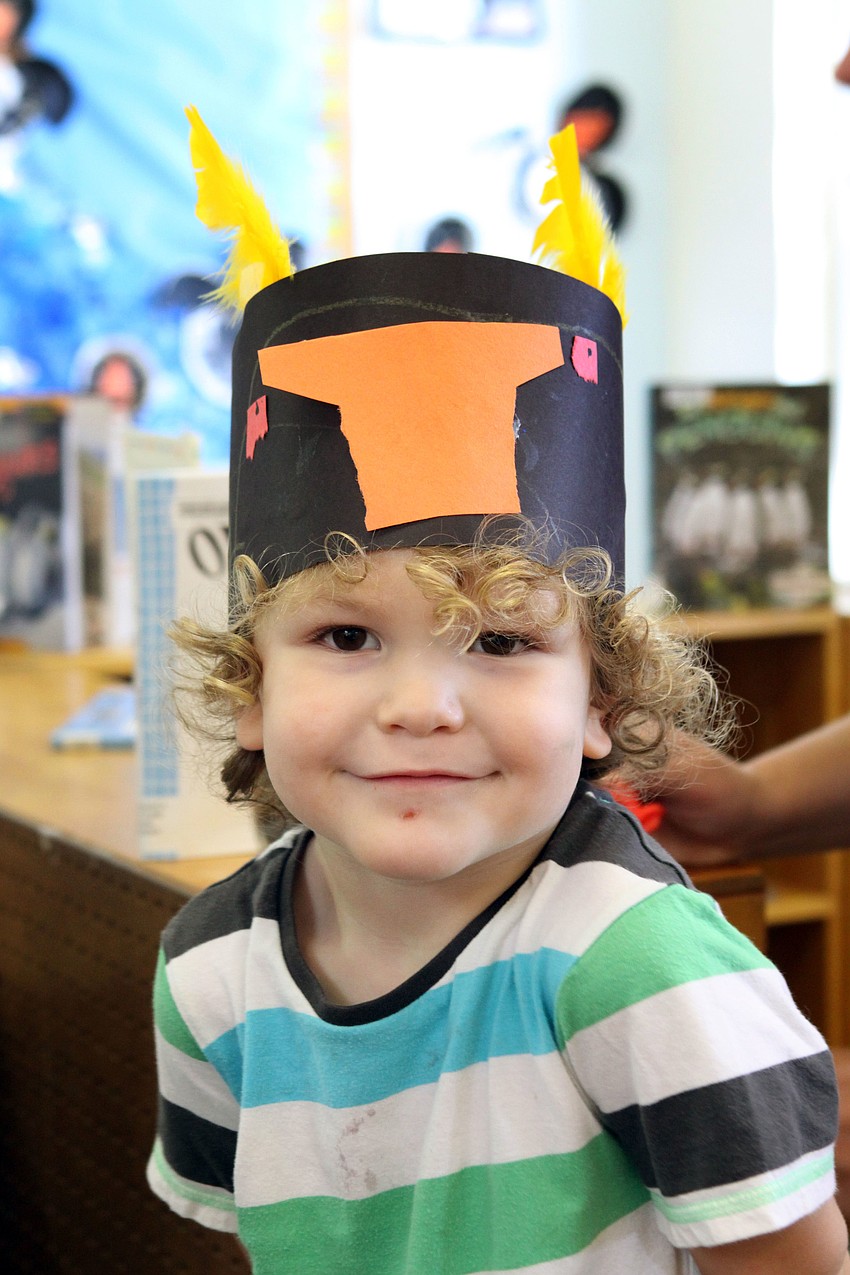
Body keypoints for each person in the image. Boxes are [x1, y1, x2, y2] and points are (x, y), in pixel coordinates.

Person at [145, 109, 849, 1274]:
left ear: (599, 702)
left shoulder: (640, 968)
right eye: (345, 634)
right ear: (250, 690)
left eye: (503, 645)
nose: (422, 704)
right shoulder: (207, 969)